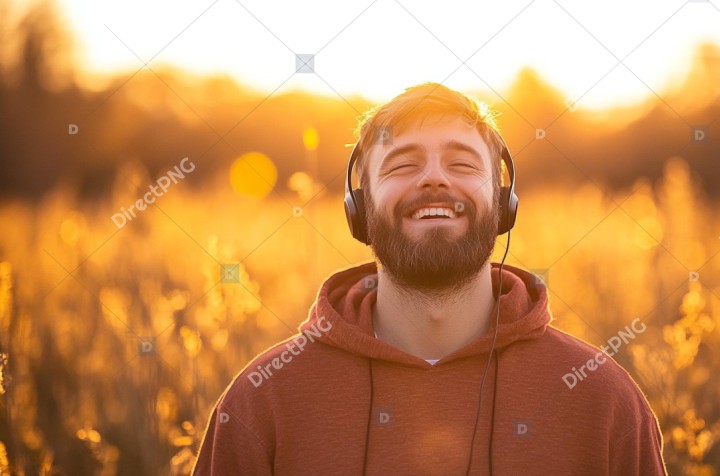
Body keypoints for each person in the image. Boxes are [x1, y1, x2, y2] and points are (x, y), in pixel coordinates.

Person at [192, 82, 667, 475]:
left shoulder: (602, 399)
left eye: (462, 163)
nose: (434, 179)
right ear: (359, 208)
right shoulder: (262, 400)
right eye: (403, 164)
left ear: (504, 203)